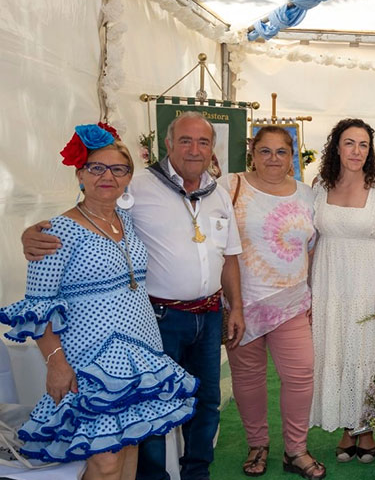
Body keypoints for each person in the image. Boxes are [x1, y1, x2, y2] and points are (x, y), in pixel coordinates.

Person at [22, 112, 245, 480]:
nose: (108, 177)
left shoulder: (135, 215)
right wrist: (29, 234)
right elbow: (40, 301)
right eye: (96, 169)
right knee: (111, 455)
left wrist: (234, 305)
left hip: (157, 337)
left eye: (203, 142)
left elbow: (229, 255)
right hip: (116, 341)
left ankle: (196, 474)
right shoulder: (130, 192)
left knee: (150, 431)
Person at [1, 124, 197, 480]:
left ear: (127, 178)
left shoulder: (128, 219)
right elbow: (38, 308)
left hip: (139, 352)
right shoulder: (54, 232)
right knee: (104, 460)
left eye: (118, 169)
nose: (107, 176)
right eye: (96, 168)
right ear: (80, 175)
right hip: (88, 361)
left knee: (129, 444)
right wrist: (56, 364)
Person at [225, 126, 323, 478]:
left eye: (281, 151)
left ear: (292, 155)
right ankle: (257, 445)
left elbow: (312, 249)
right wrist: (233, 303)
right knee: (248, 378)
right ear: (251, 151)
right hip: (241, 303)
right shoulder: (230, 186)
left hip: (292, 302)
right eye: (264, 151)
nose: (273, 159)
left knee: (300, 374)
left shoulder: (309, 195)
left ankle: (295, 450)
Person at [309, 118, 375, 465]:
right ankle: (348, 428)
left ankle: (367, 427)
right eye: (349, 143)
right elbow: (310, 240)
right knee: (336, 350)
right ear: (336, 147)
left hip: (365, 280)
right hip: (328, 281)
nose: (356, 151)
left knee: (365, 354)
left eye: (363, 145)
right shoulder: (318, 185)